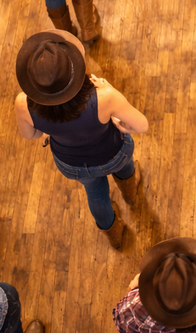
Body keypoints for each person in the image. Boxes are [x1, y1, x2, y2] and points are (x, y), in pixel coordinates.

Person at [13, 30, 149, 249]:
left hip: (72, 164)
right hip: (114, 152)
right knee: (125, 168)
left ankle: (113, 234)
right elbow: (142, 125)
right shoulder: (104, 97)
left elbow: (31, 135)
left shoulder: (23, 103)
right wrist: (111, 92)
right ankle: (130, 193)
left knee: (96, 195)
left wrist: (49, 130)